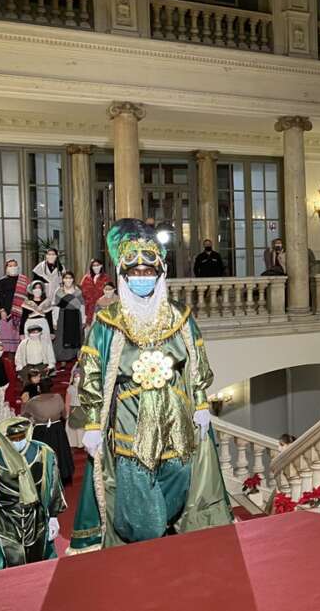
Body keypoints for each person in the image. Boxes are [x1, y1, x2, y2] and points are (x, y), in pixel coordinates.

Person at [69, 219, 232, 552]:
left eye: (148, 272)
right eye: (135, 273)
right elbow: (93, 374)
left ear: (160, 276)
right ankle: (147, 552)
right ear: (124, 277)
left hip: (177, 421)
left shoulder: (181, 316)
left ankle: (167, 543)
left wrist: (201, 404)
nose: (142, 278)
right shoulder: (107, 321)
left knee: (180, 479)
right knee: (138, 492)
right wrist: (93, 423)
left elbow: (196, 365)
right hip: (130, 420)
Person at [0, 417, 66, 572]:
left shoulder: (44, 454)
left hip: (37, 523)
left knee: (40, 570)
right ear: (3, 439)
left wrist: (54, 516)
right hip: (5, 528)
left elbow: (53, 485)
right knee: (11, 573)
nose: (18, 441)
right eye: (13, 438)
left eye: (22, 437)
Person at [21, 389, 73, 485]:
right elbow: (65, 415)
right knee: (60, 454)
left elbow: (24, 418)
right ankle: (62, 476)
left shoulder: (32, 402)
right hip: (58, 431)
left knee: (43, 456)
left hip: (41, 433)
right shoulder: (58, 397)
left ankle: (44, 479)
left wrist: (24, 403)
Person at [52, 271, 85, 369]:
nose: (68, 280)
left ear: (73, 279)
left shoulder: (78, 292)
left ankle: (76, 357)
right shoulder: (59, 292)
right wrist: (54, 321)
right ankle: (62, 358)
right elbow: (56, 307)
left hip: (75, 316)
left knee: (76, 337)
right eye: (66, 278)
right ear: (63, 280)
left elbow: (82, 306)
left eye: (70, 278)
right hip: (63, 316)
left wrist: (83, 320)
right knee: (61, 338)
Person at [0, 259, 28, 352]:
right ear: (6, 268)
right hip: (7, 311)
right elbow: (0, 297)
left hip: (22, 311)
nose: (13, 267)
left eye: (14, 265)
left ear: (18, 267)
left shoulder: (24, 280)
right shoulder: (2, 281)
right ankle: (9, 355)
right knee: (8, 334)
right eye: (10, 266)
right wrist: (2, 311)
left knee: (21, 335)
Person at [15, 320, 56, 392]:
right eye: (33, 332)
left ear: (40, 332)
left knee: (44, 385)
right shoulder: (24, 343)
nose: (35, 334)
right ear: (29, 333)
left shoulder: (44, 342)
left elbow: (50, 353)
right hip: (28, 367)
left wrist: (50, 365)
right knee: (28, 386)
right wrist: (20, 366)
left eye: (37, 332)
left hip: (41, 366)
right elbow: (18, 355)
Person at [79, 259, 109, 325]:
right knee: (89, 328)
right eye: (94, 265)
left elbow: (110, 294)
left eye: (97, 265)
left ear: (101, 266)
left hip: (101, 309)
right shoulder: (86, 278)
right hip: (88, 309)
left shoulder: (106, 278)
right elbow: (81, 293)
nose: (96, 267)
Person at [65, 367, 85, 449]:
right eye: (75, 377)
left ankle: (83, 443)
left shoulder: (85, 388)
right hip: (73, 410)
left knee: (82, 428)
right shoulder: (70, 388)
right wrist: (67, 413)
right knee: (74, 428)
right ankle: (74, 443)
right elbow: (67, 402)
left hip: (83, 409)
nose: (77, 378)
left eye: (79, 376)